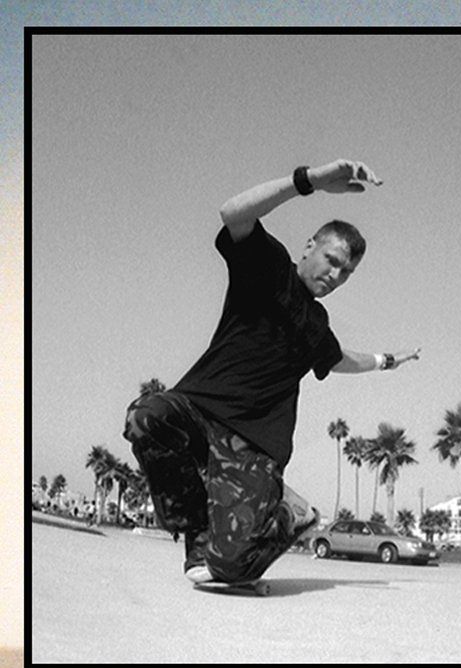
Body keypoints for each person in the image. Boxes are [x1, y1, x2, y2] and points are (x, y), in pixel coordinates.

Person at [122, 159, 419, 588]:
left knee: (230, 572)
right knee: (145, 417)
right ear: (309, 246)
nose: (335, 275)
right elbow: (232, 213)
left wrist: (386, 360)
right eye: (331, 260)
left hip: (254, 444)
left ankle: (290, 513)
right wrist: (310, 181)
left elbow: (340, 360)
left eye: (346, 272)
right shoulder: (269, 266)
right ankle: (198, 532)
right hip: (199, 410)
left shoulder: (318, 326)